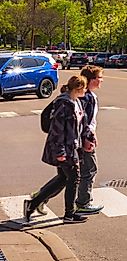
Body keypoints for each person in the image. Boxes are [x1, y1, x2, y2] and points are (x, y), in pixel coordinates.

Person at [23, 75, 89, 224]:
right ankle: (69, 214)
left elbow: (81, 125)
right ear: (78, 88)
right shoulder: (64, 104)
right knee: (73, 178)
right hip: (65, 148)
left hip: (73, 147)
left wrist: (88, 137)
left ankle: (32, 204)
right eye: (84, 87)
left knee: (63, 178)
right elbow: (57, 130)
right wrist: (60, 152)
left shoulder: (76, 102)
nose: (85, 90)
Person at [75, 65, 104, 215]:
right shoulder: (88, 97)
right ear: (91, 80)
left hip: (79, 139)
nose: (101, 80)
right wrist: (88, 138)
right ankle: (83, 203)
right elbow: (84, 121)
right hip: (83, 140)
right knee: (89, 169)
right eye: (99, 78)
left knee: (68, 175)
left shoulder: (84, 95)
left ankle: (38, 198)